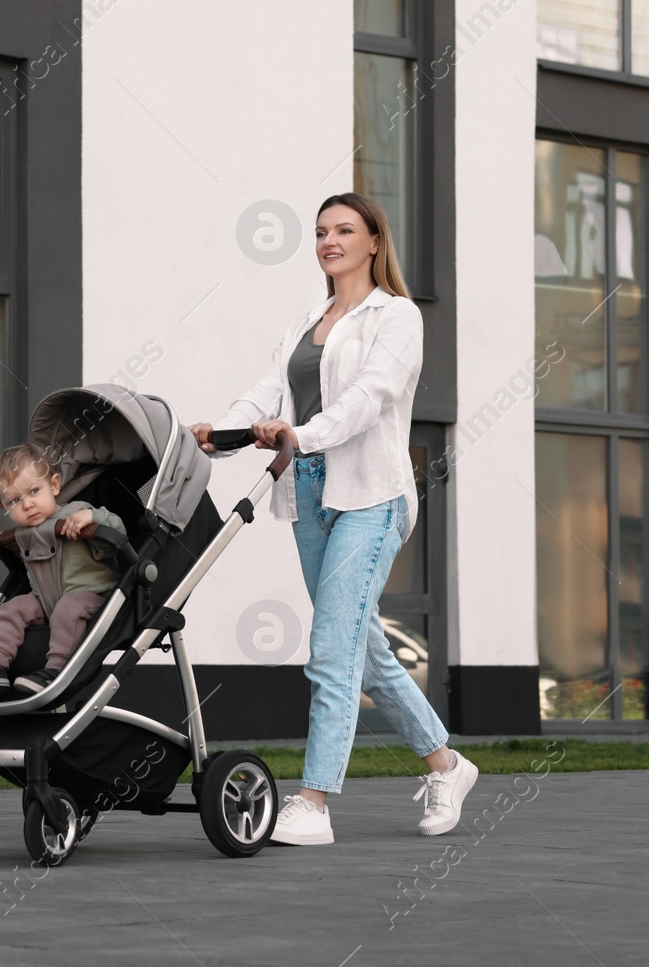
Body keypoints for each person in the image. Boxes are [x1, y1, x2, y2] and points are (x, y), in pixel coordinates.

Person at [189, 193, 477, 846]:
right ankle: (446, 763)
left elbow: (367, 399)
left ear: (375, 240)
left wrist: (300, 432)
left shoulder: (398, 317)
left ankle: (313, 800)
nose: (329, 240)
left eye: (344, 229)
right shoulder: (305, 322)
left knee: (331, 646)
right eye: (321, 231)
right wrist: (225, 430)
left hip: (371, 494)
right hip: (312, 491)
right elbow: (268, 390)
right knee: (360, 643)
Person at [0, 443, 127, 696]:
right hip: (44, 598)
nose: (28, 504)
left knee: (69, 609)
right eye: (15, 500)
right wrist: (7, 543)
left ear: (54, 485)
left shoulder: (75, 512)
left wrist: (92, 517)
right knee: (11, 609)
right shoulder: (23, 534)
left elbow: (118, 531)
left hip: (93, 595)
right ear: (3, 507)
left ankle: (56, 670)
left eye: (34, 491)